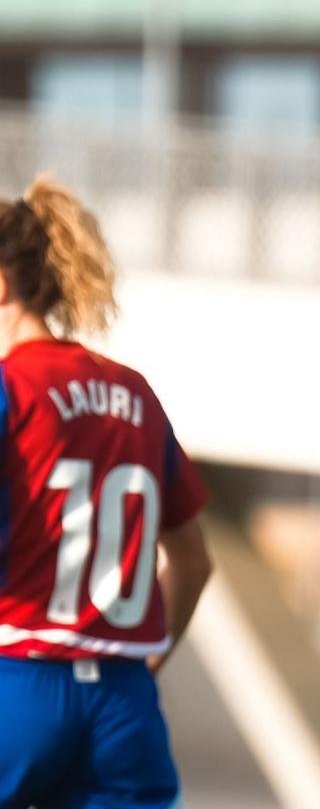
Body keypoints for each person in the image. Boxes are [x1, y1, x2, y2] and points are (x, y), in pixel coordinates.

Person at [0, 177, 211, 808]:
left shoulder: (10, 389)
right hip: (122, 705)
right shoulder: (136, 394)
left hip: (16, 681)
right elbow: (195, 562)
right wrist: (138, 670)